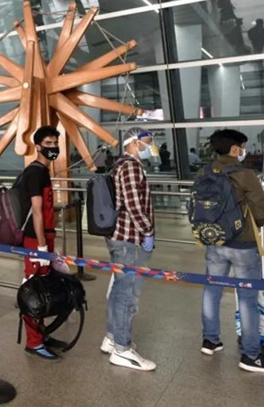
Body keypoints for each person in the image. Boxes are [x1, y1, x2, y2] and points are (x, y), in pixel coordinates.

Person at [200, 130, 264, 373]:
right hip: (242, 244)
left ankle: (210, 339)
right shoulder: (245, 174)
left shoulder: (205, 172)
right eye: (242, 147)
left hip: (214, 241)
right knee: (247, 299)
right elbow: (260, 209)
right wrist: (261, 221)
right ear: (235, 149)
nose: (243, 151)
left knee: (212, 290)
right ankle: (251, 355)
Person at [101, 128, 157, 371]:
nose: (149, 146)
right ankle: (122, 350)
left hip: (119, 236)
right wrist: (148, 231)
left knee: (118, 290)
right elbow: (134, 205)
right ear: (132, 143)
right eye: (145, 142)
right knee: (127, 294)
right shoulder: (131, 167)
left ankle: (112, 337)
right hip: (130, 239)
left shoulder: (119, 165)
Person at [14, 126, 62, 360]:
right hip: (35, 240)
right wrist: (42, 246)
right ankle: (33, 342)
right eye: (49, 143)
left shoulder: (43, 170)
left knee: (44, 288)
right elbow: (37, 210)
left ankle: (41, 334)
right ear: (38, 146)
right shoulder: (35, 172)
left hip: (44, 238)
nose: (53, 147)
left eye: (55, 143)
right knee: (34, 290)